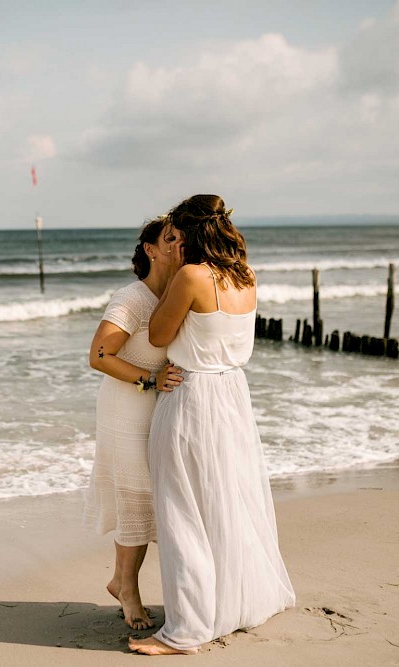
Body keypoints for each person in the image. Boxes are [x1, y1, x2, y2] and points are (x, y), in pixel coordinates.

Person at [129, 195, 295, 656]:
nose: (174, 241)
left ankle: (186, 629)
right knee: (228, 500)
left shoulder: (191, 276)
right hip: (233, 396)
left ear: (189, 235)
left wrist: (172, 277)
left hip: (191, 394)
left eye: (177, 234)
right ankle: (231, 604)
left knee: (182, 508)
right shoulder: (245, 274)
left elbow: (160, 335)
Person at [83, 217, 185, 631]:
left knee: (149, 498)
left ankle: (121, 581)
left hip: (158, 408)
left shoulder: (180, 292)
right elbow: (99, 356)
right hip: (125, 408)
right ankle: (127, 588)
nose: (180, 245)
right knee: (136, 496)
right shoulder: (133, 297)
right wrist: (150, 379)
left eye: (183, 239)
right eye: (170, 239)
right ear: (150, 249)